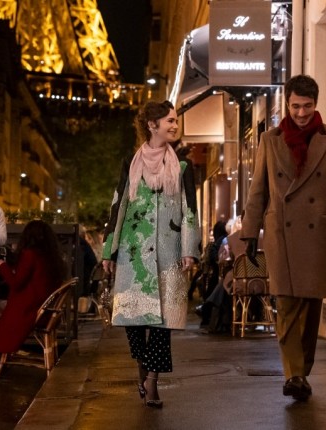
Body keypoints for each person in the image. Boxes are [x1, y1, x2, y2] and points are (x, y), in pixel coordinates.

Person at [240, 75, 326, 401]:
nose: (301, 113)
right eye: (295, 106)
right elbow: (258, 190)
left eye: (307, 106)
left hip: (318, 234)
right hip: (281, 233)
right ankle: (294, 374)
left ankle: (302, 371)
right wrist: (250, 233)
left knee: (310, 308)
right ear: (287, 104)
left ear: (316, 104)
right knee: (286, 304)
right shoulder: (269, 140)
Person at [101, 100, 200, 408]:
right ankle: (142, 367)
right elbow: (118, 206)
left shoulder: (182, 166)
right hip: (133, 255)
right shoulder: (130, 164)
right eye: (169, 120)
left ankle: (153, 382)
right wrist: (108, 251)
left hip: (169, 255)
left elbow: (190, 210)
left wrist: (189, 250)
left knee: (162, 324)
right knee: (133, 321)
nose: (175, 125)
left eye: (175, 120)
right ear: (151, 125)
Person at [0, 220, 66, 368]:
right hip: (47, 311)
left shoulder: (30, 254)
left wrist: (2, 266)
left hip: (30, 311)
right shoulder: (52, 257)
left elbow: (16, 283)